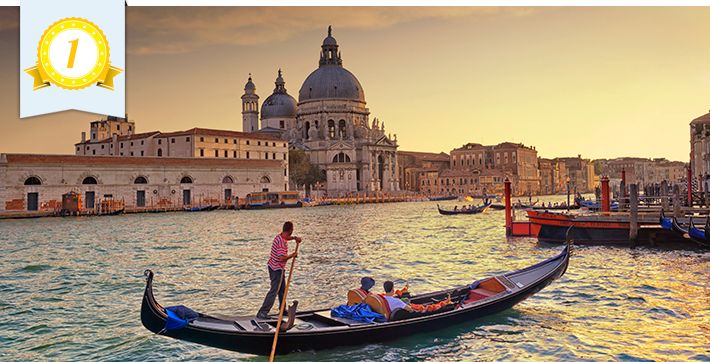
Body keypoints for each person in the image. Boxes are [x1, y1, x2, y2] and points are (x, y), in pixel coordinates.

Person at [256, 221, 302, 319]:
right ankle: (263, 311)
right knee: (274, 290)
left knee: (282, 290)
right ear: (290, 230)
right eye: (292, 232)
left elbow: (287, 237)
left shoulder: (281, 237)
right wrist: (292, 255)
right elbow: (281, 257)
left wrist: (294, 238)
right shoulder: (281, 242)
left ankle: (282, 310)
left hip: (278, 267)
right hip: (276, 268)